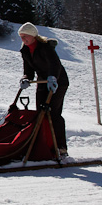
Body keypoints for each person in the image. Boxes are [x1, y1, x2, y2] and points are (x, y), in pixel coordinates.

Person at [18, 22, 70, 157]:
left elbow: (55, 65)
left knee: (53, 113)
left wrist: (53, 77)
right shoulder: (25, 50)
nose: (23, 39)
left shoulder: (45, 47)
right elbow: (28, 70)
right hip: (42, 81)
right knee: (40, 113)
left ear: (33, 35)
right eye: (21, 37)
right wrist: (25, 78)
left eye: (25, 36)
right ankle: (45, 145)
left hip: (58, 81)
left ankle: (61, 147)